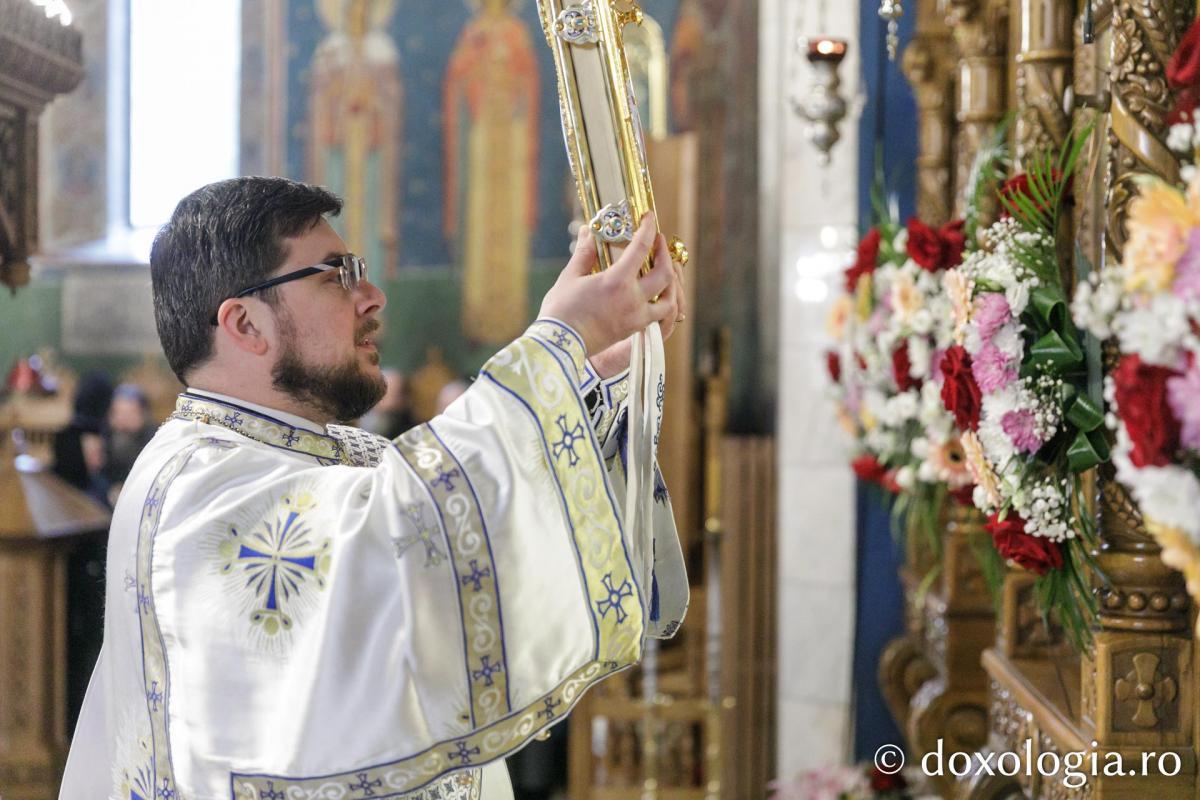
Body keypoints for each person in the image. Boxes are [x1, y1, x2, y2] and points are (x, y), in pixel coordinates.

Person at [59, 177, 688, 800]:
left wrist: (583, 379)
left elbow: (472, 529)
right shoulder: (197, 489)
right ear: (246, 324)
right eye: (338, 275)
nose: (372, 296)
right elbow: (401, 541)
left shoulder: (318, 451)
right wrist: (558, 345)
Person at [103, 383, 158, 496]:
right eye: (118, 413)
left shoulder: (155, 441)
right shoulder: (106, 437)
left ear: (143, 414)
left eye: (130, 413)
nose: (122, 419)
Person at [359, 366, 416, 438]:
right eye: (380, 394)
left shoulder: (409, 431)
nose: (389, 403)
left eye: (394, 395)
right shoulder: (359, 418)